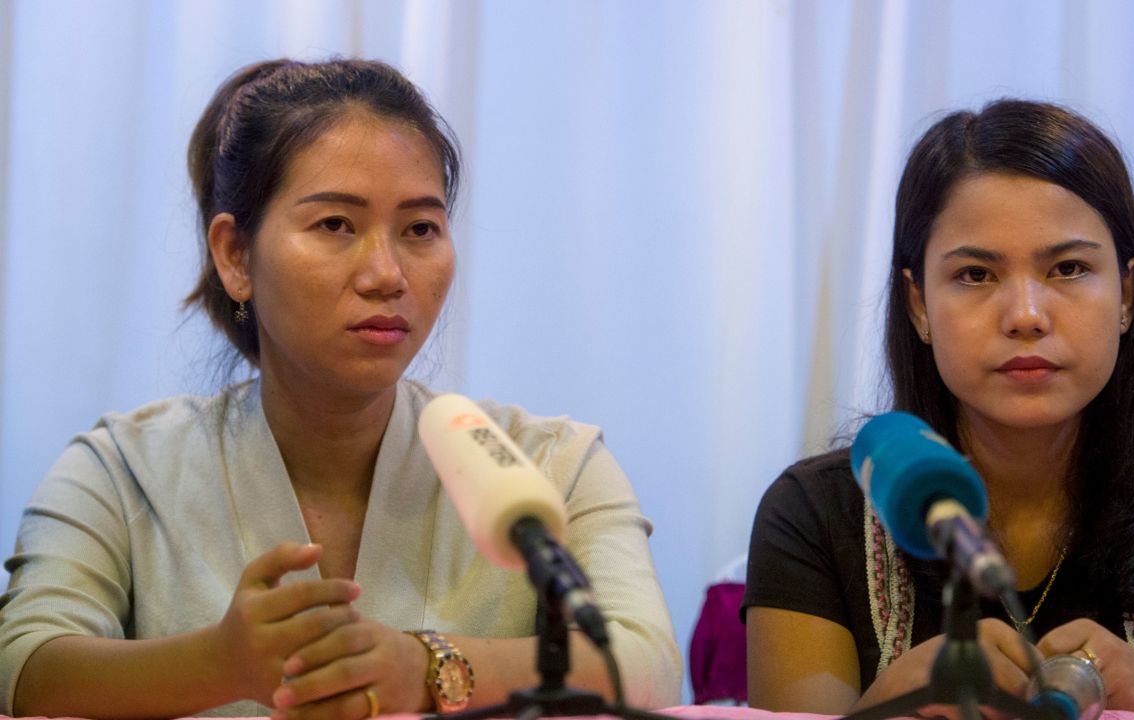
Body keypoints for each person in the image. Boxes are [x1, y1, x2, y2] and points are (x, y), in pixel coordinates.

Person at [0, 58, 681, 718]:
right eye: (336, 225)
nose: (387, 273)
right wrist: (218, 665)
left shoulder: (551, 461)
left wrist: (423, 668)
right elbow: (20, 663)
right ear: (235, 255)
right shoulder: (122, 469)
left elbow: (645, 661)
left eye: (420, 228)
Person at [743, 99, 1134, 717]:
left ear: (1127, 293)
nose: (1026, 315)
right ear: (918, 304)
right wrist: (888, 707)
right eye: (975, 275)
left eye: (1068, 268)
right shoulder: (812, 514)